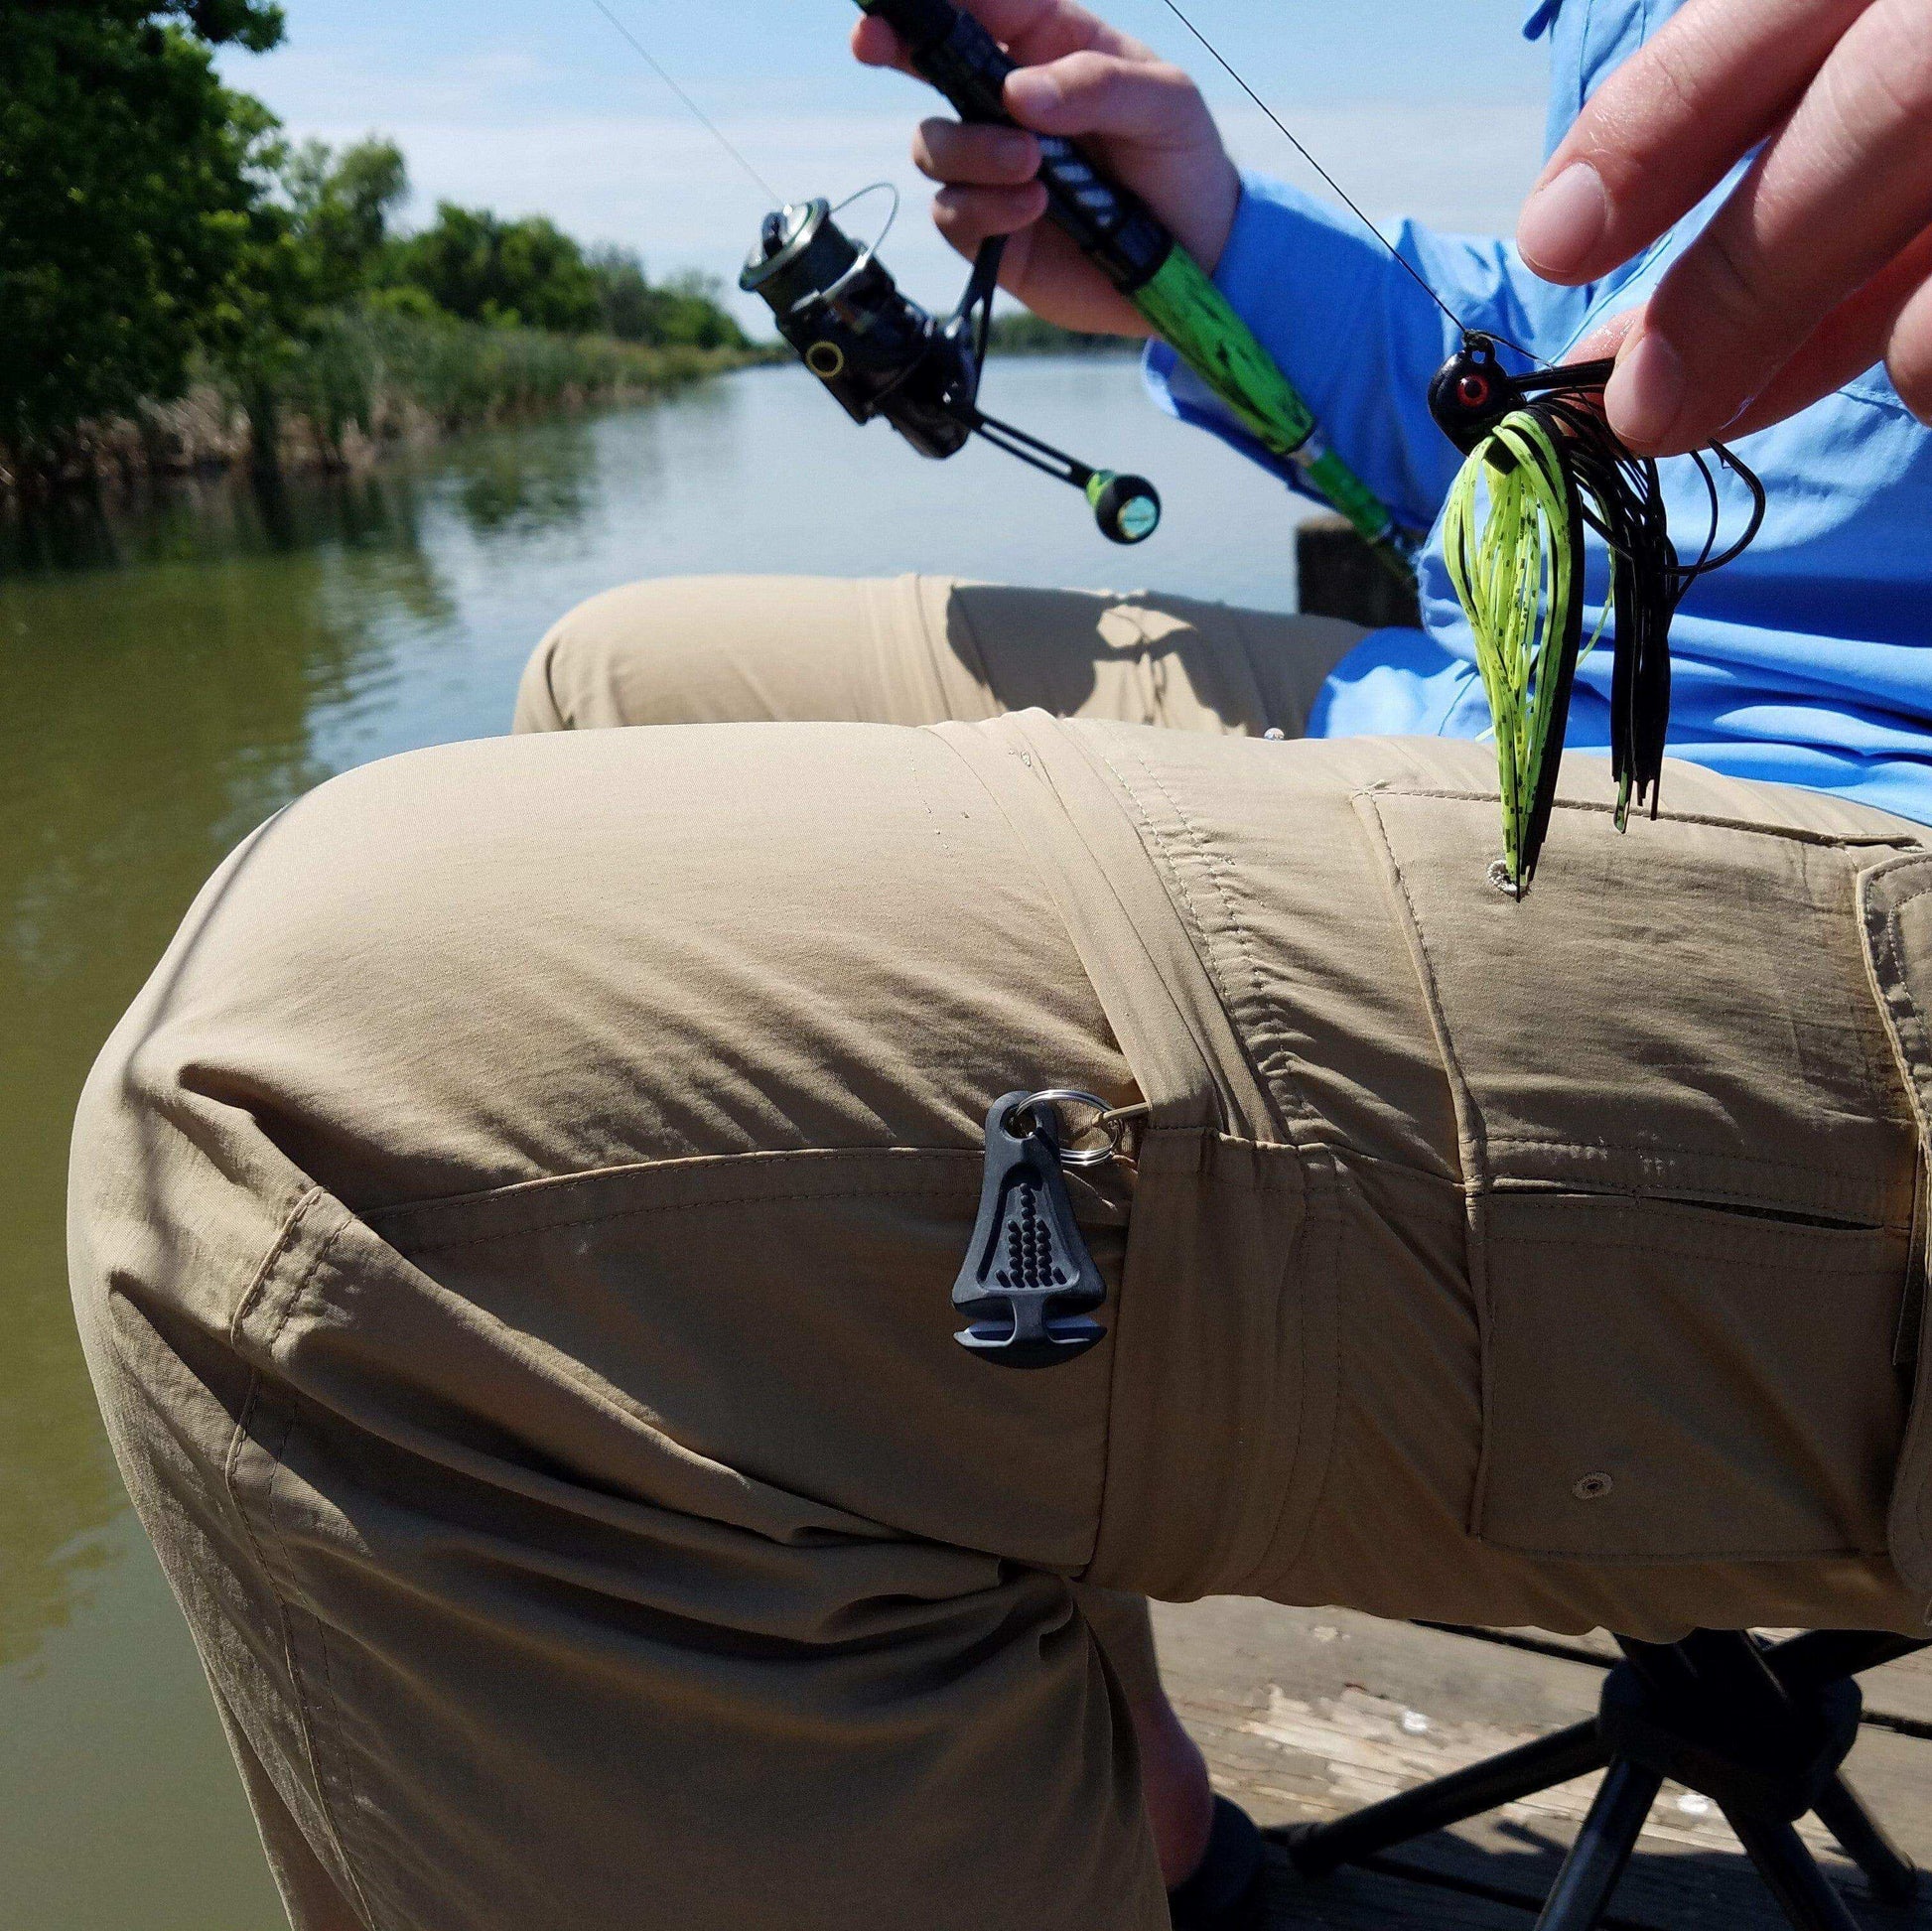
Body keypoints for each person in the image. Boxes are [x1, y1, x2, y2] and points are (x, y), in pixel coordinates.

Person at [66, 3, 1932, 1929]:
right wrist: (1203, 239)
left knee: (314, 1102)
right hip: (1531, 690)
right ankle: (1152, 1841)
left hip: (1847, 814)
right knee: (621, 687)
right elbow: (1603, 375)